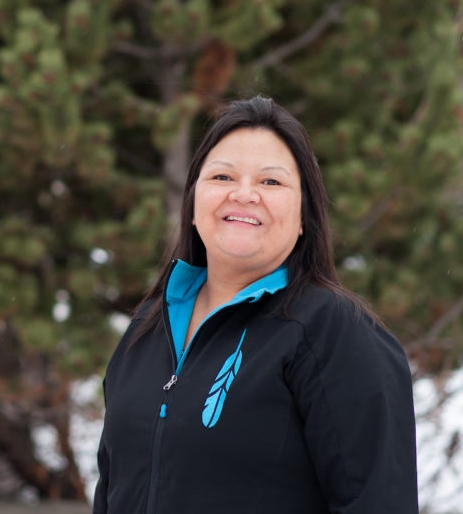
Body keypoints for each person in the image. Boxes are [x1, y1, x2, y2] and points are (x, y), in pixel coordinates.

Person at [93, 96, 418, 513]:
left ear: (304, 217)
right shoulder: (147, 328)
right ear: (193, 205)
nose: (244, 195)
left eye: (271, 182)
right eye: (223, 176)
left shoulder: (335, 332)